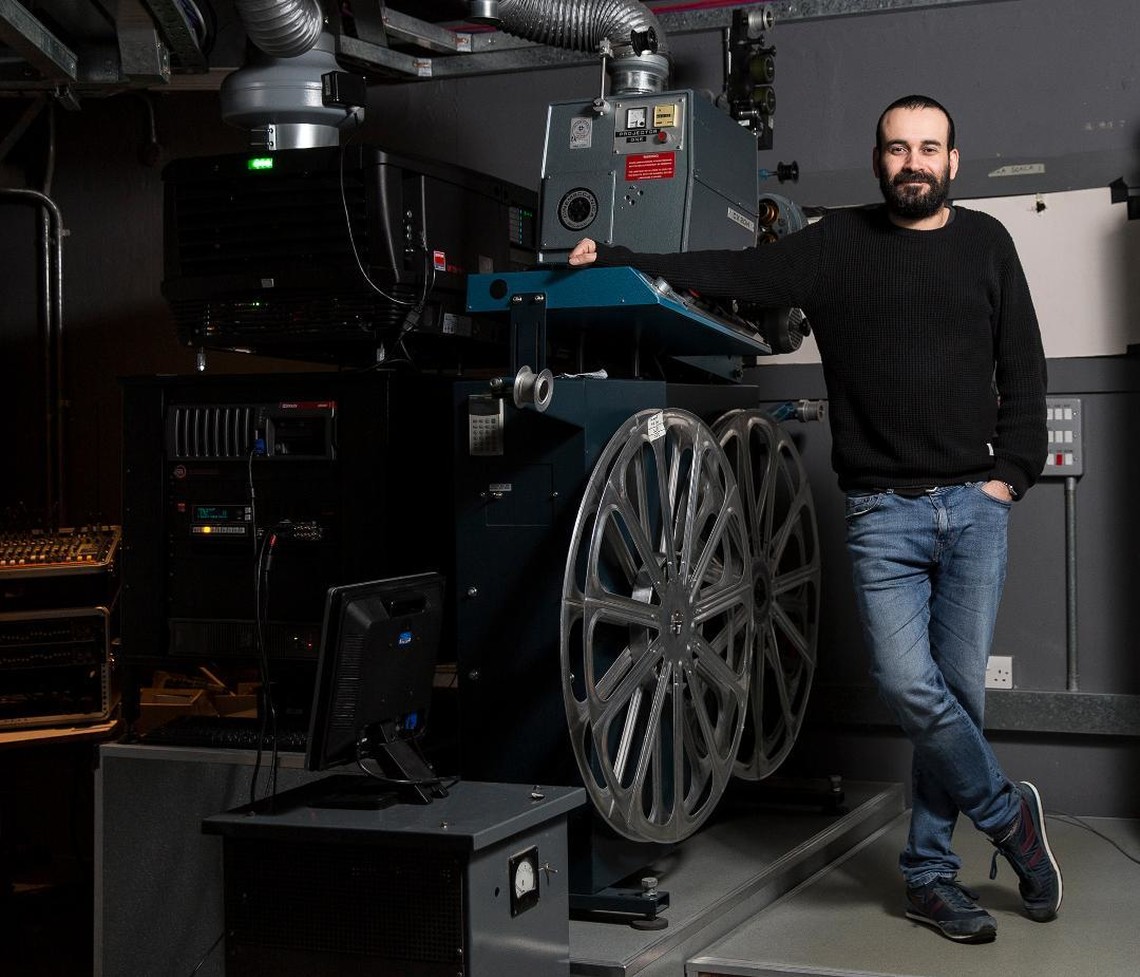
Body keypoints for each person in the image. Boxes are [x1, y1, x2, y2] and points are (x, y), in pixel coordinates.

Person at [568, 94, 1059, 944]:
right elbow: (736, 271)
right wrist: (621, 257)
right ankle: (1009, 818)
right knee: (912, 688)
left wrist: (1009, 477)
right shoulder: (836, 246)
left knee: (957, 699)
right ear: (878, 161)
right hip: (881, 513)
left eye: (929, 148)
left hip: (974, 507)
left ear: (953, 162)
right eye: (898, 148)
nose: (913, 162)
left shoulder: (988, 243)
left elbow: (1025, 365)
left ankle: (929, 875)